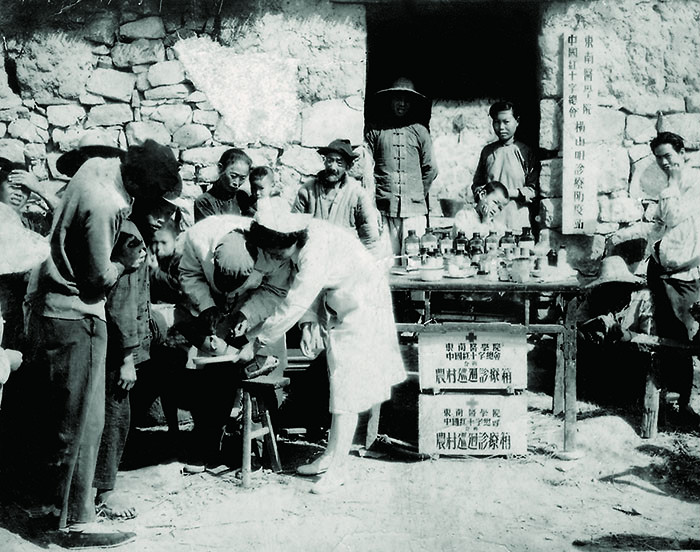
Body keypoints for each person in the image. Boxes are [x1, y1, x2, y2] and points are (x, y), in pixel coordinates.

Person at [24, 139, 181, 548]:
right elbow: (97, 279)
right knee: (83, 424)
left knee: (66, 418)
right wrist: (124, 263)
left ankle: (57, 511)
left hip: (51, 309)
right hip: (78, 315)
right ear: (138, 185)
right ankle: (73, 522)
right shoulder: (108, 205)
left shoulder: (96, 165)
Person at [229, 205, 406, 494]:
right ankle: (330, 456)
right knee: (339, 384)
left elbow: (295, 300)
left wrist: (257, 341)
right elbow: (306, 288)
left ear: (287, 241)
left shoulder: (314, 250)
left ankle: (340, 468)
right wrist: (309, 321)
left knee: (347, 390)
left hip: (364, 306)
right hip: (342, 304)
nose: (272, 258)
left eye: (274, 252)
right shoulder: (303, 243)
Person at [177, 214, 291, 469]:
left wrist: (248, 315)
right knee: (215, 375)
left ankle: (256, 452)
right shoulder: (198, 238)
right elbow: (189, 274)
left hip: (256, 304)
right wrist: (206, 305)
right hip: (213, 302)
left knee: (259, 376)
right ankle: (207, 447)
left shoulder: (271, 251)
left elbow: (275, 291)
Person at [646, 132, 700, 426]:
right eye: (659, 158)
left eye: (668, 155)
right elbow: (660, 224)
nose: (664, 163)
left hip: (685, 272)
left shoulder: (692, 183)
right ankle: (669, 403)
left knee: (684, 337)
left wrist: (673, 184)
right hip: (662, 270)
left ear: (682, 152)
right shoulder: (670, 185)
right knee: (667, 338)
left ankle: (683, 404)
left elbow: (672, 216)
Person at [365, 77, 438, 258]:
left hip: (414, 213)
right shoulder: (376, 130)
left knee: (413, 262)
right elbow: (366, 168)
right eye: (398, 98)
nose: (402, 104)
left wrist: (415, 193)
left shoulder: (420, 131)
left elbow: (431, 168)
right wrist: (373, 203)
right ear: (390, 100)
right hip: (384, 211)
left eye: (407, 100)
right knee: (384, 262)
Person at [293, 139, 380, 253]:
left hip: (344, 257)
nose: (333, 167)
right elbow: (294, 229)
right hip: (314, 255)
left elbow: (370, 238)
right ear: (324, 162)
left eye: (339, 163)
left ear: (348, 166)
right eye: (330, 160)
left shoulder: (358, 194)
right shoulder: (307, 190)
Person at [472, 101, 539, 232]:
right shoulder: (487, 152)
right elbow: (477, 184)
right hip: (490, 221)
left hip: (517, 220)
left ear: (517, 121)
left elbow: (533, 190)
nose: (501, 127)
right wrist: (482, 195)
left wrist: (507, 193)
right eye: (497, 122)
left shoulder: (526, 152)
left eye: (506, 122)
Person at [0, 157, 59, 236]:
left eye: (25, 189)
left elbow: (68, 218)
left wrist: (41, 191)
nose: (19, 193)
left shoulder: (30, 224)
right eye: (14, 186)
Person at [194, 149, 254, 222]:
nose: (237, 183)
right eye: (233, 176)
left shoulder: (242, 197)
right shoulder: (204, 202)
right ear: (220, 168)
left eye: (242, 178)